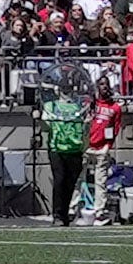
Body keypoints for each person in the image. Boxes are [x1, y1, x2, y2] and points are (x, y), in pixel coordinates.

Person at [42, 82, 89, 227]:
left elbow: (85, 128)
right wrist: (39, 118)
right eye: (63, 89)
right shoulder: (51, 106)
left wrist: (87, 124)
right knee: (59, 181)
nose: (66, 92)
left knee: (70, 184)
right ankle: (57, 215)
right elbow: (45, 126)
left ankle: (64, 214)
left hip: (75, 148)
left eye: (68, 89)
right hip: (57, 149)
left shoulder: (78, 106)